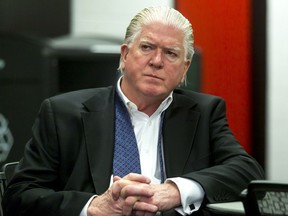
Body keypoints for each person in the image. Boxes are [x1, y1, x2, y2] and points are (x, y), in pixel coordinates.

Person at [2, 6, 264, 216]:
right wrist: (93, 207)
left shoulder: (204, 113)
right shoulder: (62, 113)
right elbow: (20, 196)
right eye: (147, 47)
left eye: (171, 53)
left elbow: (246, 171)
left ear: (184, 69)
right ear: (125, 54)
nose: (157, 61)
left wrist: (175, 191)